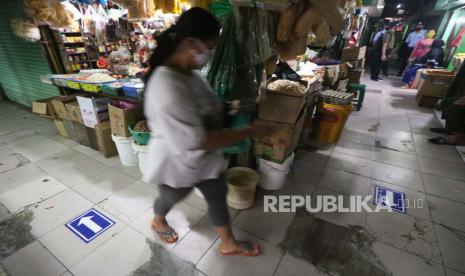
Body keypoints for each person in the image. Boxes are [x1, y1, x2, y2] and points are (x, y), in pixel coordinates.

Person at [143, 8, 272, 257]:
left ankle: (228, 242)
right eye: (209, 47)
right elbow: (197, 140)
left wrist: (233, 108)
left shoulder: (189, 75)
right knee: (171, 197)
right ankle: (158, 220)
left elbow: (209, 104)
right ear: (191, 43)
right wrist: (249, 131)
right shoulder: (166, 86)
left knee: (216, 193)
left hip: (204, 158)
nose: (210, 54)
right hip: (177, 162)